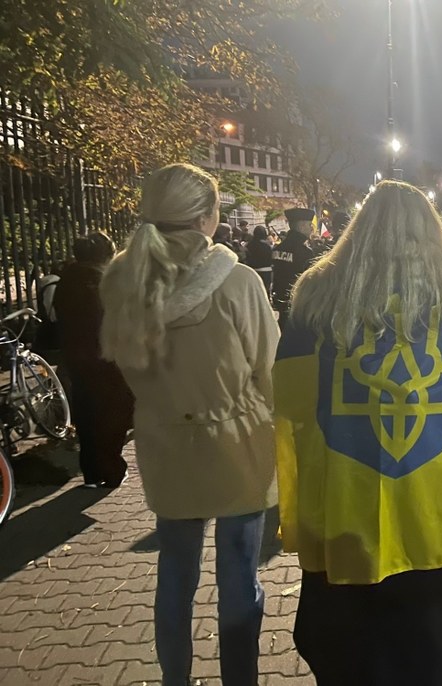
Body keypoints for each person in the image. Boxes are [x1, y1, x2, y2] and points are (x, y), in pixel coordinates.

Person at [273, 181, 442, 686]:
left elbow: (292, 403)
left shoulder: (315, 302)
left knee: (351, 655)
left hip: (346, 508)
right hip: (437, 513)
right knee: (432, 657)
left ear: (357, 231)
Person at [99, 163, 279, 685]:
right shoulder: (238, 283)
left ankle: (175, 678)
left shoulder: (123, 285)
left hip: (165, 445)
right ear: (206, 217)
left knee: (175, 575)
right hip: (237, 445)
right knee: (239, 578)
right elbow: (270, 370)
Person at [54, 233, 134, 488]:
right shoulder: (103, 281)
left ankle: (91, 471)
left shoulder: (65, 280)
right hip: (106, 357)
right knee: (115, 411)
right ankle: (111, 469)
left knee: (87, 411)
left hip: (75, 357)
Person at [273, 208, 316, 328]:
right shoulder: (304, 252)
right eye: (309, 225)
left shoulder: (278, 248)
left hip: (280, 302)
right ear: (302, 226)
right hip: (298, 306)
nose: (311, 228)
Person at [244, 225, 274, 297]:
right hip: (266, 272)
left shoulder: (249, 245)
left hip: (252, 271)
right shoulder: (267, 246)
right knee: (265, 293)